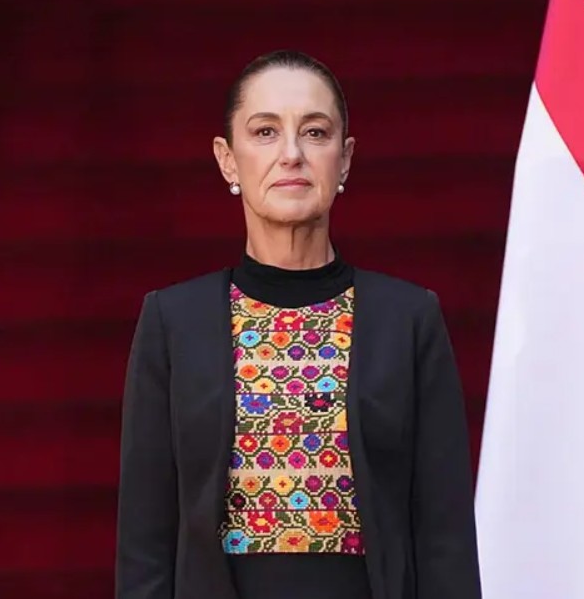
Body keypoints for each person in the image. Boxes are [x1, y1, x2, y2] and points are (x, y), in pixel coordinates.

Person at [114, 50, 481, 599]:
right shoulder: (173, 321)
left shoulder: (407, 319)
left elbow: (444, 536)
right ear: (227, 160)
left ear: (346, 158)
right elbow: (145, 539)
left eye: (315, 132)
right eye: (264, 132)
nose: (291, 155)